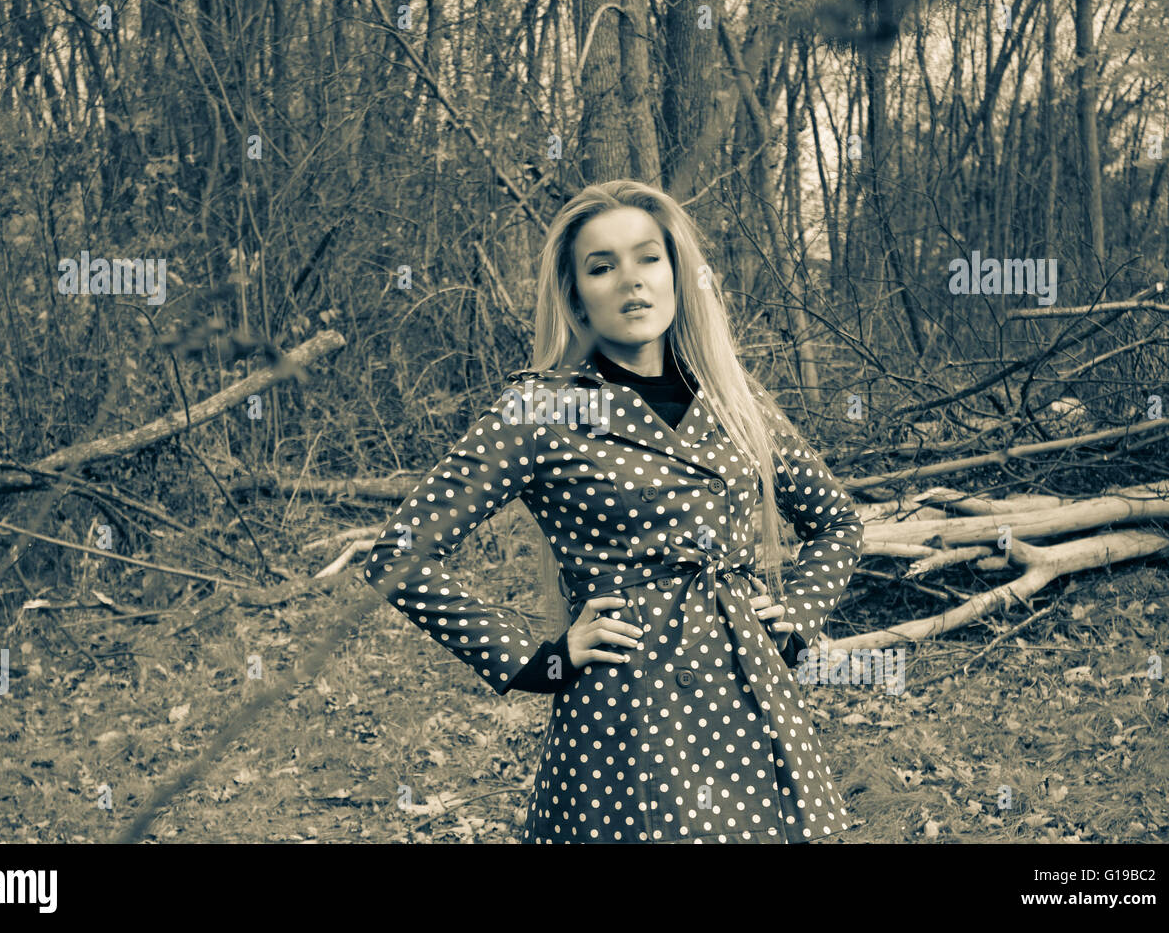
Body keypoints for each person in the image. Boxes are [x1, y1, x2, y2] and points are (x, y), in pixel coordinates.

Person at [363, 179, 865, 843]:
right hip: (627, 719)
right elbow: (400, 554)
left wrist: (796, 613)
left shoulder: (735, 398)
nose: (631, 280)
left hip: (750, 704)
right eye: (602, 266)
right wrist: (537, 659)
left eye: (648, 257)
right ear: (575, 295)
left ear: (679, 273)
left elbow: (838, 521)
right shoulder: (541, 409)